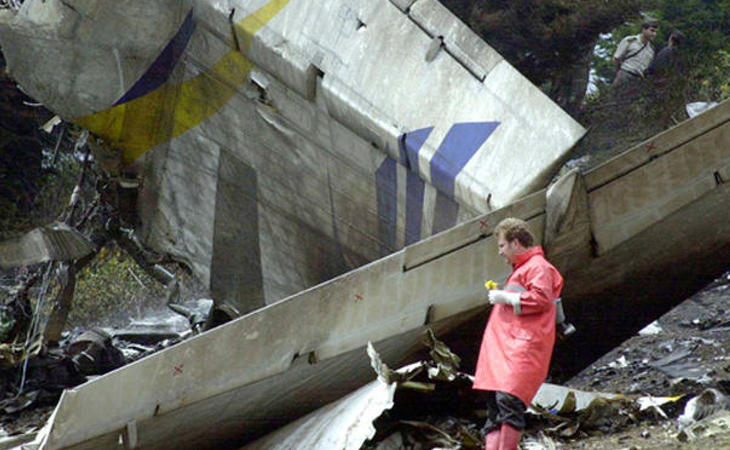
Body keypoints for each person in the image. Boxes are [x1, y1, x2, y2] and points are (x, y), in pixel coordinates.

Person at [473, 218, 564, 450]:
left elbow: (542, 298)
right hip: (506, 350)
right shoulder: (523, 269)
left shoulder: (538, 266)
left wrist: (508, 298)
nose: (500, 252)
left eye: (502, 246)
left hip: (520, 348)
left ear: (515, 243)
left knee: (508, 401)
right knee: (495, 406)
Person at [612, 20, 659, 95]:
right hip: (625, 74)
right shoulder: (630, 41)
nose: (654, 34)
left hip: (637, 79)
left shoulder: (651, 50)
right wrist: (619, 73)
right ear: (644, 29)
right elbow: (616, 58)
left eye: (655, 32)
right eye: (652, 31)